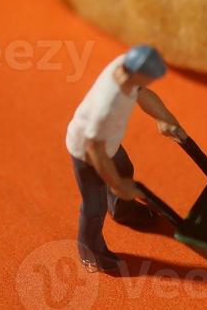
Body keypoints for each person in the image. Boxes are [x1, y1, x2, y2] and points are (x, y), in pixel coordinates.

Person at [65, 45, 186, 272]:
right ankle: (90, 252)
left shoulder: (126, 66)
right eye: (149, 78)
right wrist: (118, 185)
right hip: (87, 153)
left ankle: (123, 211)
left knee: (124, 167)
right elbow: (95, 150)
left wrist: (166, 120)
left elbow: (143, 93)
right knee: (94, 205)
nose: (150, 83)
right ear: (137, 74)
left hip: (108, 143)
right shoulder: (106, 105)